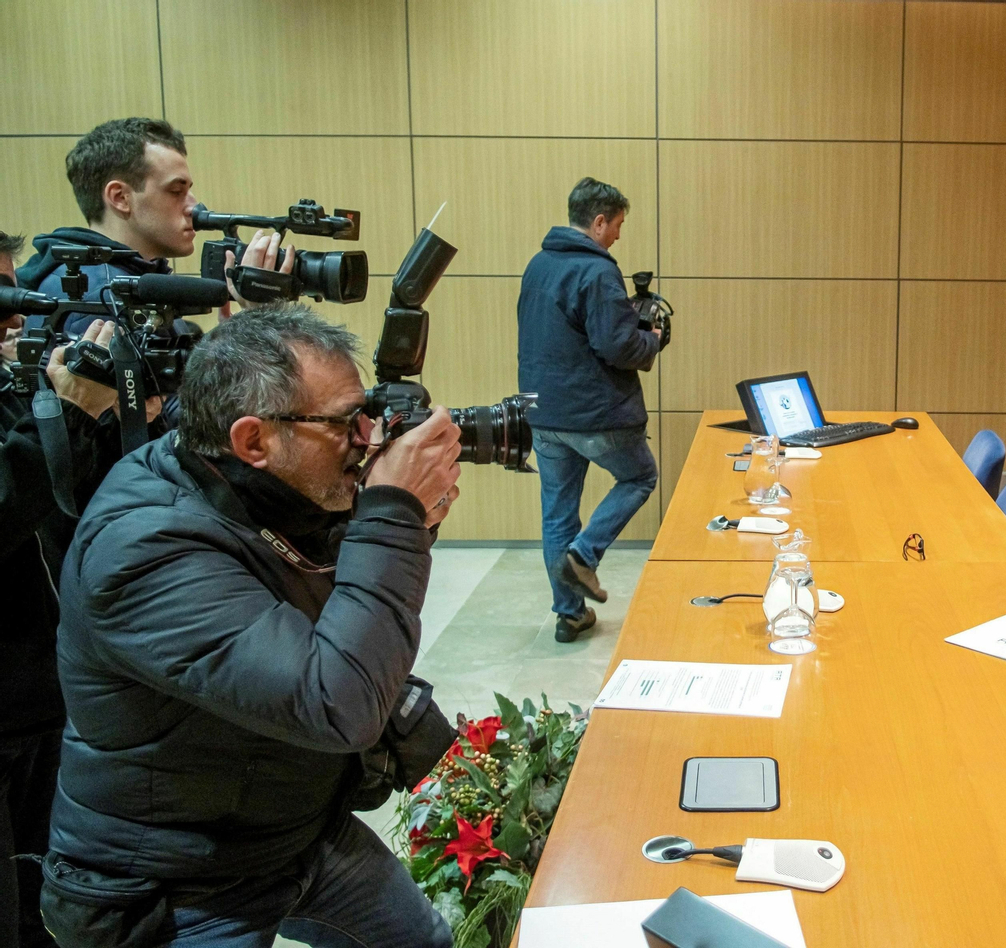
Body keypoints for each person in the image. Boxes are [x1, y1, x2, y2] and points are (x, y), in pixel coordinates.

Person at [43, 304, 462, 947]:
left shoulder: (259, 485)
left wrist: (406, 519)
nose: (369, 437)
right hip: (180, 883)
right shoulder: (141, 552)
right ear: (253, 440)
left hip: (291, 827)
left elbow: (340, 601)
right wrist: (393, 515)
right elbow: (336, 700)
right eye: (348, 421)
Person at [0, 229, 126, 948]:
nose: (18, 313)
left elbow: (69, 499)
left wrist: (87, 413)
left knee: (49, 905)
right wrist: (65, 412)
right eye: (4, 295)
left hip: (44, 699)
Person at [517, 177, 661, 642]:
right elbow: (616, 345)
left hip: (543, 414)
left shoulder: (538, 265)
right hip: (594, 413)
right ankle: (585, 555)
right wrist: (652, 339)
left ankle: (570, 614)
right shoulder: (597, 272)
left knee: (557, 513)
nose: (618, 234)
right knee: (640, 477)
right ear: (598, 221)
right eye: (617, 225)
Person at [15, 117, 289, 333]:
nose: (194, 207)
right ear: (121, 198)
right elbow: (167, 405)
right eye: (175, 191)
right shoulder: (95, 297)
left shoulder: (130, 281)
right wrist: (258, 322)